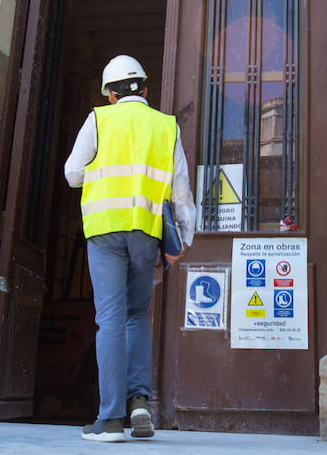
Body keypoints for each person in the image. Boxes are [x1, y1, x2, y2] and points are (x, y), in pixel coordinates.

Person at [64, 54, 196, 443]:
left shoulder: (99, 120)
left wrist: (100, 175)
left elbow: (72, 173)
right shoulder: (165, 126)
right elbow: (182, 190)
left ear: (109, 93)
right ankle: (139, 401)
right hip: (145, 232)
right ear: (145, 90)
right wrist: (183, 240)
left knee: (110, 319)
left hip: (104, 231)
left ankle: (111, 420)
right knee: (137, 314)